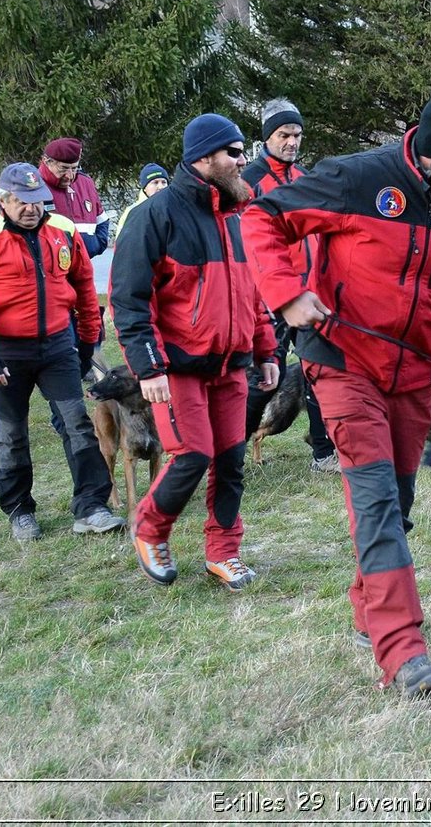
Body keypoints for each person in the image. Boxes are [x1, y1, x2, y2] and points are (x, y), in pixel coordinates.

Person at [242, 76, 431, 699]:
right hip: (340, 361)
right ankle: (402, 652)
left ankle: (370, 607)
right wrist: (286, 293)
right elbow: (262, 219)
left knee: (401, 503)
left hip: (415, 372)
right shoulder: (357, 179)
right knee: (376, 500)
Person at [111, 114, 278, 591]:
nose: (243, 159)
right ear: (203, 157)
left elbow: (253, 291)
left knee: (230, 459)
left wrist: (265, 349)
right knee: (191, 455)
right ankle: (150, 528)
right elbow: (128, 298)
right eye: (233, 151)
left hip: (231, 366)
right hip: (177, 368)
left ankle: (223, 552)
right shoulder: (155, 215)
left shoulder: (241, 216)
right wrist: (148, 366)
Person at [0, 164, 124, 541]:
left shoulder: (63, 230)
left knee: (78, 424)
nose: (31, 209)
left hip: (58, 344)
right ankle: (20, 511)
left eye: (38, 201)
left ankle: (92, 506)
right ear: (3, 199)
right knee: (11, 435)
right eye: (22, 202)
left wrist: (88, 340)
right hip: (5, 351)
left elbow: (83, 286)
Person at [241, 99, 337, 473]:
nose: (292, 142)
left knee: (319, 373)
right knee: (263, 379)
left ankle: (323, 453)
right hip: (269, 298)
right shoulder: (249, 181)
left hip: (309, 295)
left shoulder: (305, 178)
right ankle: (233, 458)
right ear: (267, 137)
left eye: (297, 134)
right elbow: (240, 241)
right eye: (284, 135)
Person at [39, 138, 112, 258]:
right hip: (49, 268)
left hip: (83, 264)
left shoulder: (86, 183)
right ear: (47, 162)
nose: (69, 176)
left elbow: (102, 219)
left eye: (74, 168)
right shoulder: (34, 187)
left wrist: (95, 245)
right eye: (63, 168)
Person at [115, 163, 169, 237]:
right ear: (145, 188)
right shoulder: (133, 212)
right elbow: (122, 243)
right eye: (155, 182)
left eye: (164, 182)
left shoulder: (173, 209)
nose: (160, 187)